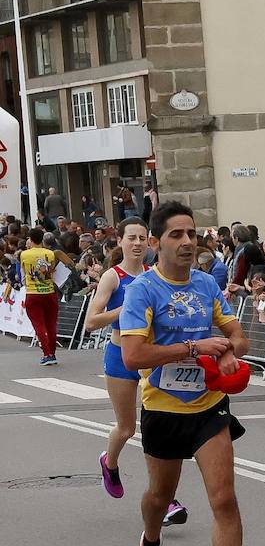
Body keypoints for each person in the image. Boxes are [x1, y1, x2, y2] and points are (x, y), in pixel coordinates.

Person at [119, 200, 264, 546]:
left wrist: (232, 352)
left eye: (192, 234)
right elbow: (132, 355)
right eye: (176, 235)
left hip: (207, 407)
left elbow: (237, 333)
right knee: (159, 499)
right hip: (163, 409)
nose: (187, 242)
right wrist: (192, 349)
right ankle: (150, 541)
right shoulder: (143, 290)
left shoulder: (206, 285)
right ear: (155, 242)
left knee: (224, 499)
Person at [84, 219, 193, 524]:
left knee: (155, 428)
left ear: (150, 242)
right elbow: (92, 322)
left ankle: (167, 498)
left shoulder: (153, 275)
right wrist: (127, 308)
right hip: (120, 356)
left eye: (142, 238)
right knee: (127, 428)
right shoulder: (112, 277)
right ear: (120, 241)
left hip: (149, 356)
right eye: (131, 238)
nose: (137, 243)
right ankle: (110, 461)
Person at [19, 227, 73, 365]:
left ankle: (47, 353)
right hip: (49, 292)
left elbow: (25, 271)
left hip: (33, 293)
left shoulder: (24, 254)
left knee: (39, 325)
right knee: (51, 324)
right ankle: (52, 353)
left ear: (30, 240)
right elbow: (52, 270)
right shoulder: (50, 253)